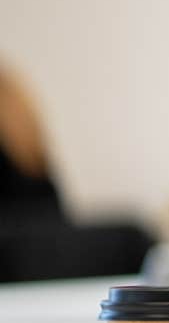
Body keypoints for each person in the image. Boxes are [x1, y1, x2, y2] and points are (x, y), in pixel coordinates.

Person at [0, 61, 153, 281]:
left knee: (134, 238)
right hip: (35, 252)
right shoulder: (17, 116)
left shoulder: (12, 106)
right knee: (135, 238)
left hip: (26, 255)